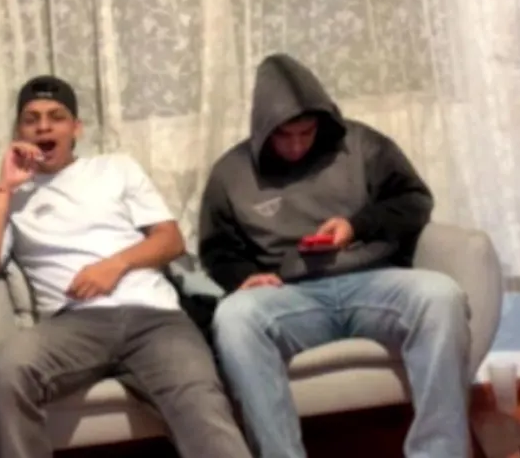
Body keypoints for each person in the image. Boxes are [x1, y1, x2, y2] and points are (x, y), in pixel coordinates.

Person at [0, 75, 253, 458]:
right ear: (19, 132)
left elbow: (170, 240)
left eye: (56, 117)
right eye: (31, 119)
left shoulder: (116, 168)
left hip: (155, 318)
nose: (43, 126)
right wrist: (4, 188)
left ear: (76, 128)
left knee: (202, 405)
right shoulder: (14, 197)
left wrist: (115, 266)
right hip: (73, 325)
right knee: (2, 370)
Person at [198, 53, 472, 458]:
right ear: (263, 129)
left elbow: (414, 201)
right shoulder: (231, 173)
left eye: (306, 133)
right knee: (233, 317)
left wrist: (356, 226)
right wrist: (243, 277)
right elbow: (216, 248)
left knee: (441, 295)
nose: (296, 146)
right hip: (289, 296)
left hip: (374, 281)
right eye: (284, 136)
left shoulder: (362, 144)